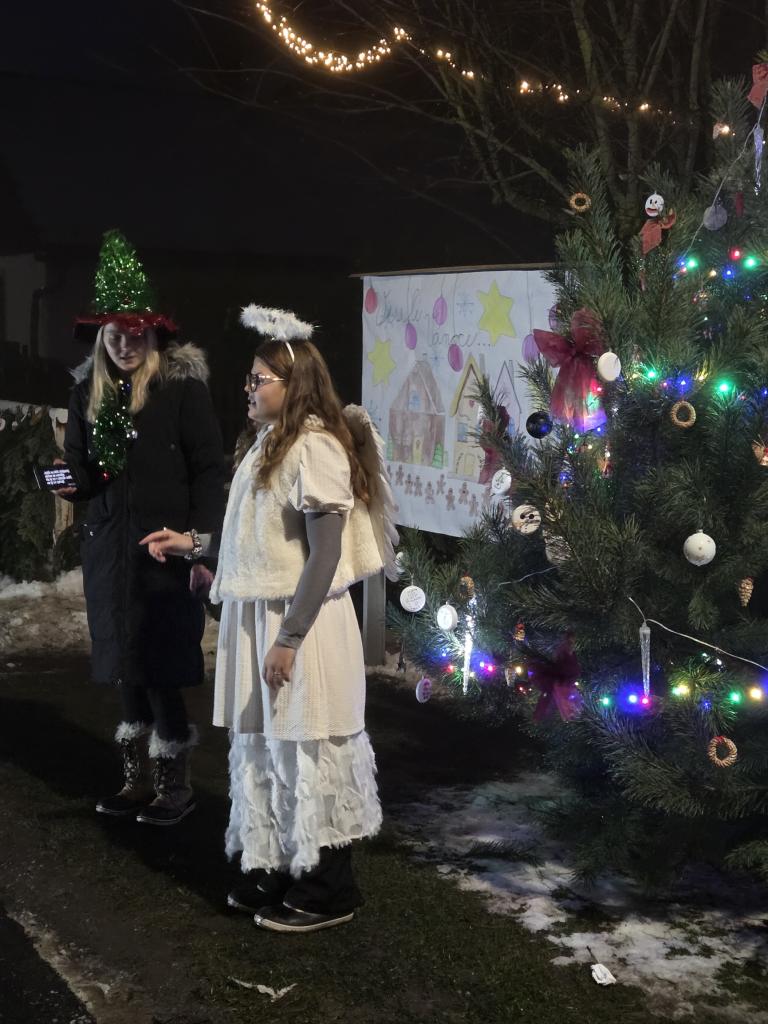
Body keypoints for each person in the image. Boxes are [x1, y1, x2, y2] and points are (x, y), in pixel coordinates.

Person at [143, 304, 398, 932]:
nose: (248, 388)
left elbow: (324, 555)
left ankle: (330, 888)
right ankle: (284, 866)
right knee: (269, 747)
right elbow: (259, 541)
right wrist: (194, 545)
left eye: (260, 379)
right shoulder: (268, 444)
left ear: (295, 384)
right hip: (263, 619)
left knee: (307, 746)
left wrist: (289, 637)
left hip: (301, 625)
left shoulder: (316, 447)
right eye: (250, 378)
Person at [59, 230, 226, 826]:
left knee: (161, 669)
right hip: (111, 553)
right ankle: (135, 781)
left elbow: (209, 470)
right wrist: (65, 480)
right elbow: (81, 473)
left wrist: (203, 547)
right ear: (101, 337)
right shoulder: (88, 393)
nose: (126, 345)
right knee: (124, 669)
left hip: (166, 554)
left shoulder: (181, 392)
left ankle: (173, 785)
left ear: (153, 335)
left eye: (136, 335)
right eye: (115, 335)